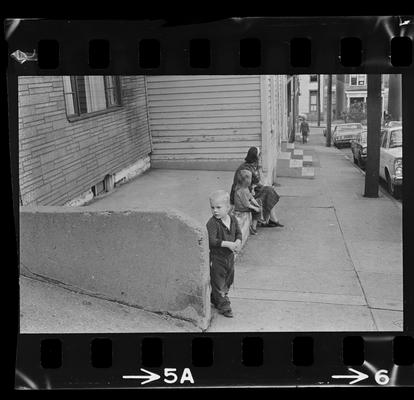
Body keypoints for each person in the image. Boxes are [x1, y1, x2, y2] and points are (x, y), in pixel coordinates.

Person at [206, 190, 242, 318]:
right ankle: (224, 306)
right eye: (212, 207)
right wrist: (228, 244)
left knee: (229, 279)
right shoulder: (212, 223)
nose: (215, 210)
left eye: (218, 207)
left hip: (230, 257)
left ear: (228, 207)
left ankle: (215, 298)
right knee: (219, 282)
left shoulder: (232, 219)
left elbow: (238, 233)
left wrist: (237, 242)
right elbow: (212, 241)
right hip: (217, 258)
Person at [230, 147, 283, 228]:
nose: (261, 157)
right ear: (256, 157)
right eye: (259, 156)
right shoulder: (246, 169)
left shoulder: (252, 166)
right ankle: (270, 220)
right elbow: (251, 185)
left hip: (249, 192)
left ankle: (272, 219)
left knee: (269, 191)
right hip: (243, 196)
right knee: (269, 191)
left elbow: (256, 184)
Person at [233, 169, 262, 235]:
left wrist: (257, 204)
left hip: (244, 206)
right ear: (246, 181)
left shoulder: (245, 187)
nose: (251, 180)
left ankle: (259, 219)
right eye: (250, 178)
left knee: (259, 202)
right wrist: (255, 208)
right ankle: (253, 227)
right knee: (256, 211)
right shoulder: (241, 190)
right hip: (241, 208)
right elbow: (246, 204)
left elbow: (251, 197)